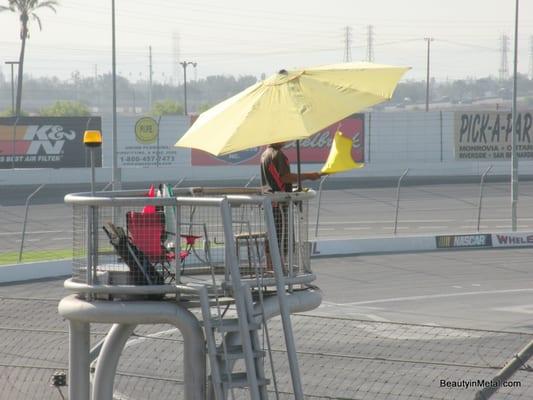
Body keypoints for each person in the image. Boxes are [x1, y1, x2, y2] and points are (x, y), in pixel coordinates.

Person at [260, 142, 321, 265]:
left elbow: (277, 179)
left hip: (270, 201)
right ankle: (279, 269)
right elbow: (284, 177)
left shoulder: (265, 154)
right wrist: (308, 176)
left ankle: (272, 267)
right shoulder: (277, 154)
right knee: (282, 239)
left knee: (274, 236)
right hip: (279, 203)